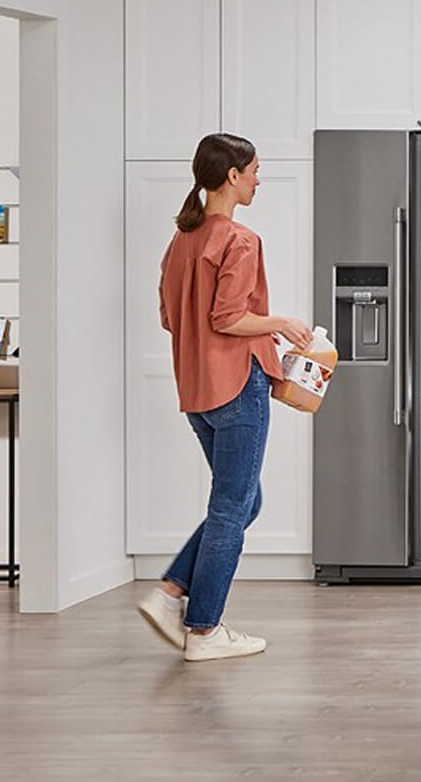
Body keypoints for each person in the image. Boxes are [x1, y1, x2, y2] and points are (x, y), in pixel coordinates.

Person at [137, 133, 312, 662]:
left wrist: (254, 329)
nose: (259, 179)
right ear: (232, 175)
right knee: (233, 507)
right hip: (238, 386)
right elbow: (228, 318)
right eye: (255, 170)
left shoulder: (180, 242)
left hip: (196, 391)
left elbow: (173, 319)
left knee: (242, 502)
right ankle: (205, 630)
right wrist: (281, 322)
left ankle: (171, 591)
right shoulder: (239, 239)